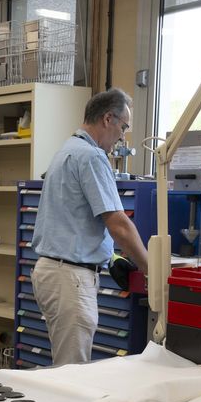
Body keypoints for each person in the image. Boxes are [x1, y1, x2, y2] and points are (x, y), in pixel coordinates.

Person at [30, 87, 149, 365]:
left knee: (65, 365)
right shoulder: (91, 157)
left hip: (54, 272)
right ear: (108, 119)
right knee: (73, 372)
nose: (122, 136)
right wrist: (152, 271)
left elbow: (76, 221)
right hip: (70, 277)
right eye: (124, 126)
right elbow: (118, 224)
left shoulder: (67, 150)